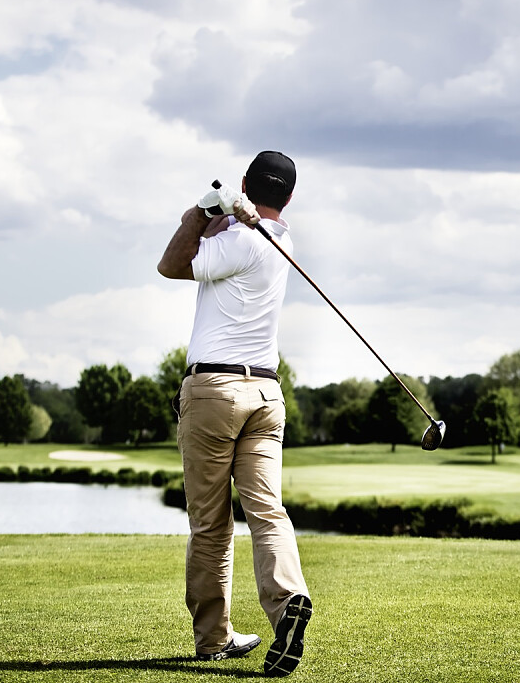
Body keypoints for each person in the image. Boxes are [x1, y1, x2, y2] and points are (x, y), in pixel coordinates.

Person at [157, 151, 311, 677]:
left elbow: (172, 263)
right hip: (266, 396)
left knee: (210, 524)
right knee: (267, 511)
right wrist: (232, 211)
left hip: (213, 390)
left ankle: (213, 638)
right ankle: (289, 600)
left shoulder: (240, 240)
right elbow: (237, 228)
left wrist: (200, 209)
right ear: (288, 197)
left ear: (246, 183)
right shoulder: (281, 241)